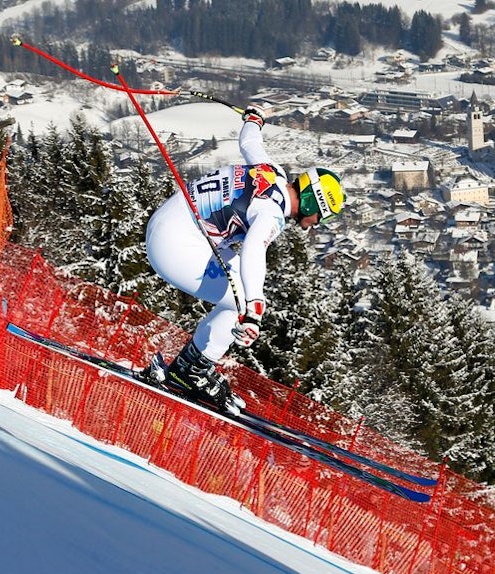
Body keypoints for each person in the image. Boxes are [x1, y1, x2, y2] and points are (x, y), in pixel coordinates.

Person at [144, 107, 346, 413]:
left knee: (238, 284)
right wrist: (254, 307)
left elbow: (250, 142)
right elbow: (254, 249)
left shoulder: (272, 172)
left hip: (170, 226)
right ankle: (192, 372)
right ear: (310, 201)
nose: (316, 223)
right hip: (175, 245)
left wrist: (254, 120)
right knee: (240, 304)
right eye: (321, 215)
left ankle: (192, 366)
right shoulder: (272, 213)